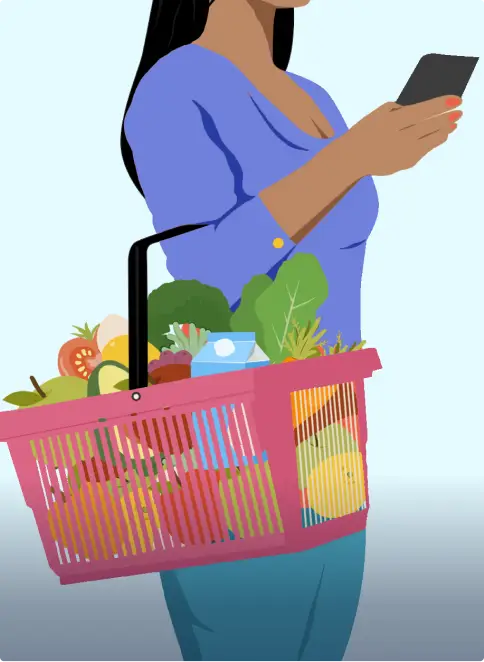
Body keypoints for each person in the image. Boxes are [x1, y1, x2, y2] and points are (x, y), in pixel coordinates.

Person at [121, 2, 463, 660]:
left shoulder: (314, 97)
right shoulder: (174, 88)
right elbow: (205, 271)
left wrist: (361, 154)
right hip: (229, 456)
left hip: (332, 446)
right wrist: (352, 157)